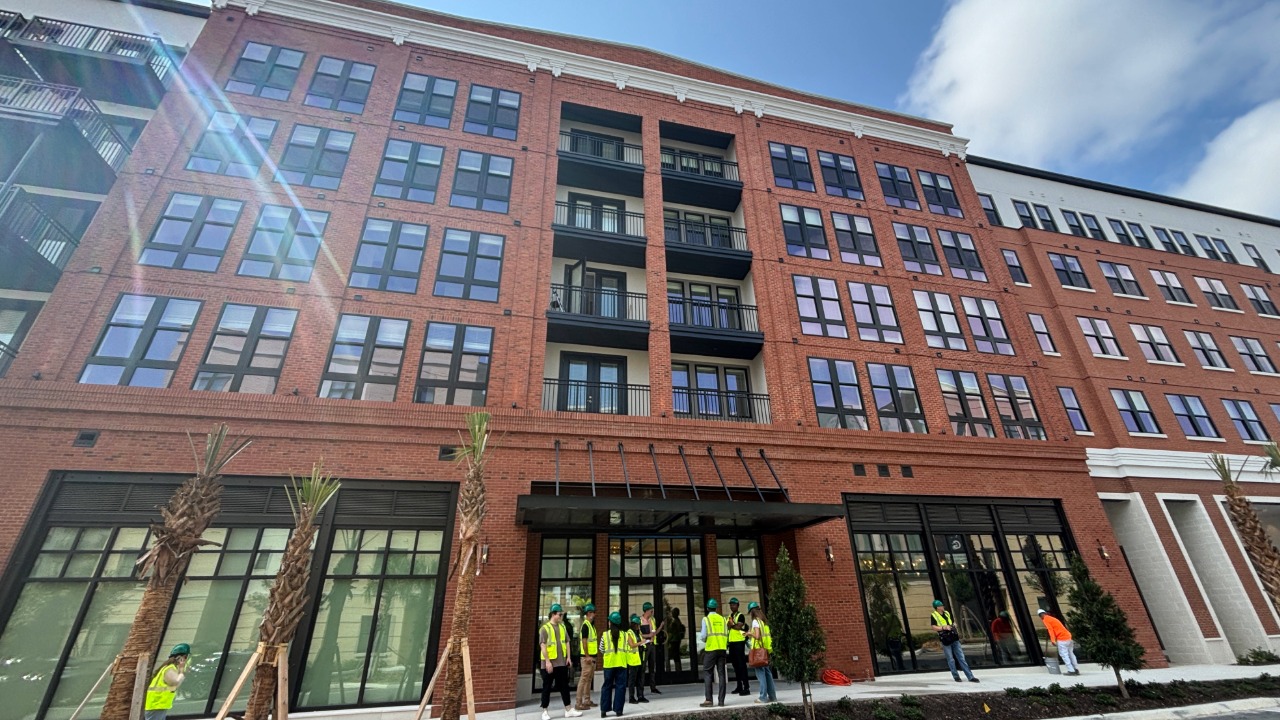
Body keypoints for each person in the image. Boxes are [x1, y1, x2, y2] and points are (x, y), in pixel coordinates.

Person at [540, 603, 584, 720]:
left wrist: (568, 657)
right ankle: (545, 711)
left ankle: (568, 709)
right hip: (549, 664)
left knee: (564, 686)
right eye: (560, 614)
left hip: (561, 663)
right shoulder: (545, 629)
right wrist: (548, 662)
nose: (561, 616)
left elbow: (567, 642)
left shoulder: (562, 627)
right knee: (547, 687)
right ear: (553, 614)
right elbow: (543, 646)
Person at [930, 599, 978, 683]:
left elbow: (951, 622)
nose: (943, 607)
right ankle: (956, 676)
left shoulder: (947, 613)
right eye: (941, 606)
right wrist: (943, 627)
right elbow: (933, 627)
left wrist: (953, 625)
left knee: (961, 657)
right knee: (951, 659)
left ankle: (970, 677)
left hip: (954, 637)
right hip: (945, 638)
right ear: (937, 607)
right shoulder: (934, 615)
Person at [144, 643, 190, 720]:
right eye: (186, 657)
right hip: (157, 705)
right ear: (181, 658)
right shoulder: (170, 669)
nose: (186, 660)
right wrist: (182, 672)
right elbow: (175, 683)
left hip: (157, 705)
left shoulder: (168, 668)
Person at [698, 598, 728, 707]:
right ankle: (721, 701)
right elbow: (726, 634)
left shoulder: (706, 619)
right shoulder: (723, 619)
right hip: (722, 649)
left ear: (707, 608)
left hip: (711, 649)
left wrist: (706, 640)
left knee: (707, 673)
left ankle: (709, 700)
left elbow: (703, 636)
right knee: (721, 674)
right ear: (716, 608)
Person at [599, 612, 628, 718]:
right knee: (620, 687)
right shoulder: (625, 635)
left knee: (607, 686)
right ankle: (618, 710)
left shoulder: (605, 635)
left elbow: (601, 649)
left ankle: (604, 710)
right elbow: (627, 649)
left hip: (609, 665)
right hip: (621, 664)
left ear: (610, 623)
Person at [747, 602, 776, 704]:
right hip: (765, 651)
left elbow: (757, 636)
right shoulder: (763, 622)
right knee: (768, 674)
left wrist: (749, 633)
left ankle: (763, 697)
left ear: (752, 612)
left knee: (761, 675)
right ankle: (772, 696)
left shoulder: (755, 622)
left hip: (758, 652)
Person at [1038, 609, 1080, 675]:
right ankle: (1076, 669)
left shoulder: (1045, 619)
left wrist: (1053, 640)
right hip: (1068, 637)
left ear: (1040, 616)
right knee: (1071, 654)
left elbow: (1050, 630)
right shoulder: (1053, 619)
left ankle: (1071, 670)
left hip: (1062, 638)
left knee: (1064, 654)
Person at [576, 604, 599, 712]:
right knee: (584, 679)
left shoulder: (591, 625)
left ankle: (587, 701)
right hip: (587, 658)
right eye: (594, 612)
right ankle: (578, 703)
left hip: (592, 657)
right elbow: (584, 642)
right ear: (589, 613)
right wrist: (587, 656)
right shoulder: (585, 626)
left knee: (588, 680)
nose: (595, 614)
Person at [726, 598, 750, 696]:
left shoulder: (740, 616)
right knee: (735, 666)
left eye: (734, 604)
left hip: (739, 643)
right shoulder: (730, 616)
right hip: (732, 643)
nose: (732, 606)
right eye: (731, 605)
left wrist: (732, 625)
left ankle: (746, 687)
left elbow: (738, 627)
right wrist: (732, 625)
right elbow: (729, 626)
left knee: (742, 665)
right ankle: (739, 686)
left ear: (738, 605)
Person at [640, 602, 664, 695]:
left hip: (652, 645)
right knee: (643, 668)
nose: (652, 612)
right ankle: (640, 688)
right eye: (651, 610)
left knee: (652, 667)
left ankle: (653, 687)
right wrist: (648, 635)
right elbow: (639, 635)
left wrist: (661, 627)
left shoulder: (652, 620)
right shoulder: (640, 621)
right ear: (646, 611)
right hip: (645, 646)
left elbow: (654, 633)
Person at [625, 614, 646, 704]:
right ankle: (631, 697)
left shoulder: (638, 633)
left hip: (640, 658)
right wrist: (641, 642)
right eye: (637, 625)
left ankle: (640, 696)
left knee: (640, 678)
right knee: (632, 679)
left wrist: (644, 643)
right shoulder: (629, 633)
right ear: (634, 625)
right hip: (633, 659)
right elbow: (632, 644)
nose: (638, 627)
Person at [665, 608, 685, 673]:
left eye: (673, 612)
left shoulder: (674, 622)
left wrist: (667, 641)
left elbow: (672, 632)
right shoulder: (678, 621)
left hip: (674, 640)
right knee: (676, 656)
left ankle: (673, 670)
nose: (672, 613)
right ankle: (678, 669)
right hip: (677, 640)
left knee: (670, 655)